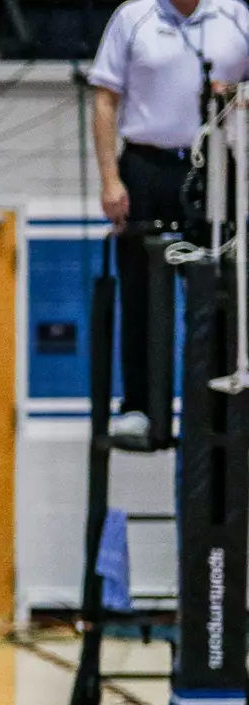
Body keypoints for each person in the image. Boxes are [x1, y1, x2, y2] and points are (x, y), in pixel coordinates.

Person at [90, 0, 249, 443]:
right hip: (148, 166)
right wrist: (110, 179)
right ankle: (140, 406)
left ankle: (219, 405)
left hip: (217, 166)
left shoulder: (235, 15)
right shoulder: (132, 16)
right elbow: (104, 98)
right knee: (141, 288)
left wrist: (235, 94)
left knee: (221, 288)